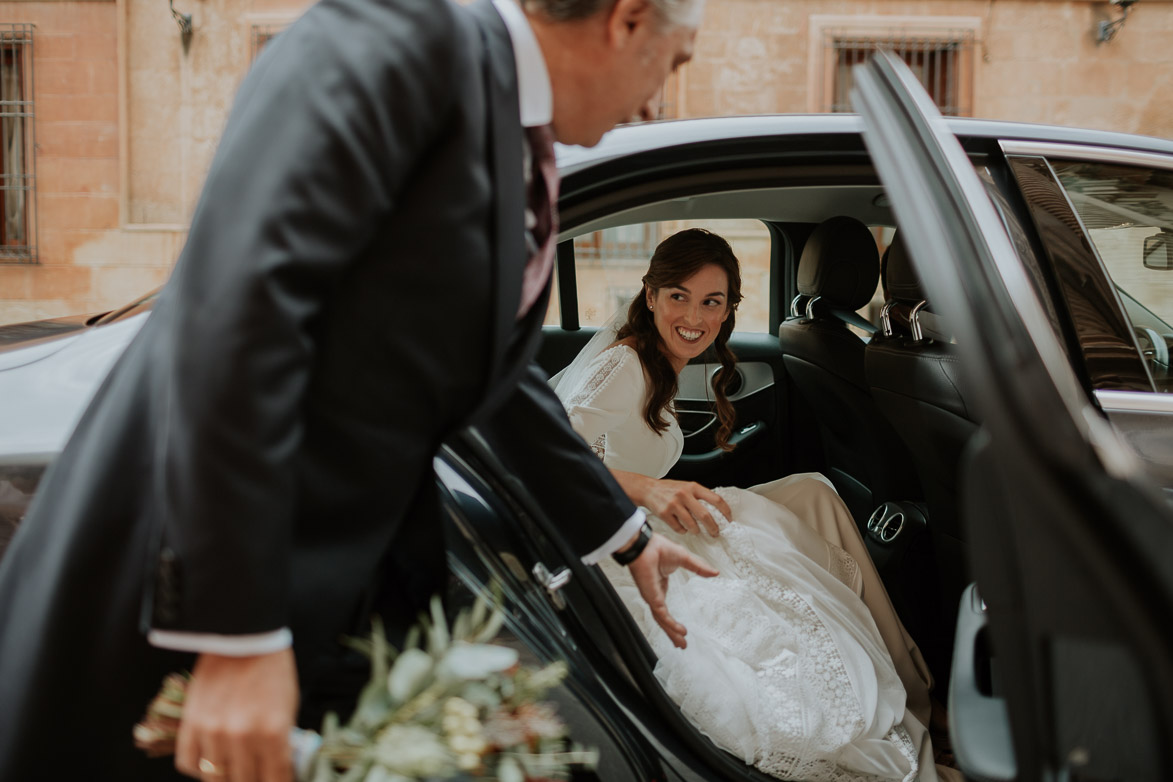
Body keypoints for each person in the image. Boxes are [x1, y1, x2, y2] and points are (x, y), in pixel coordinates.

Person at [0, 0, 715, 779]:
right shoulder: (389, 44)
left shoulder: (512, 128)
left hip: (349, 590)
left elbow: (494, 375)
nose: (655, 101)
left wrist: (621, 532)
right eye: (674, 64)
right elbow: (240, 316)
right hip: (190, 590)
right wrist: (237, 634)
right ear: (628, 19)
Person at [552, 228, 958, 781]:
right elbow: (556, 460)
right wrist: (649, 489)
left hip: (648, 515)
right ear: (650, 296)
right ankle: (918, 696)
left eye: (711, 302)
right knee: (788, 550)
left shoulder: (657, 361)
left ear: (727, 310)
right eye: (678, 296)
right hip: (620, 535)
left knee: (814, 493)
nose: (694, 316)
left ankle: (912, 681)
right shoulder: (624, 364)